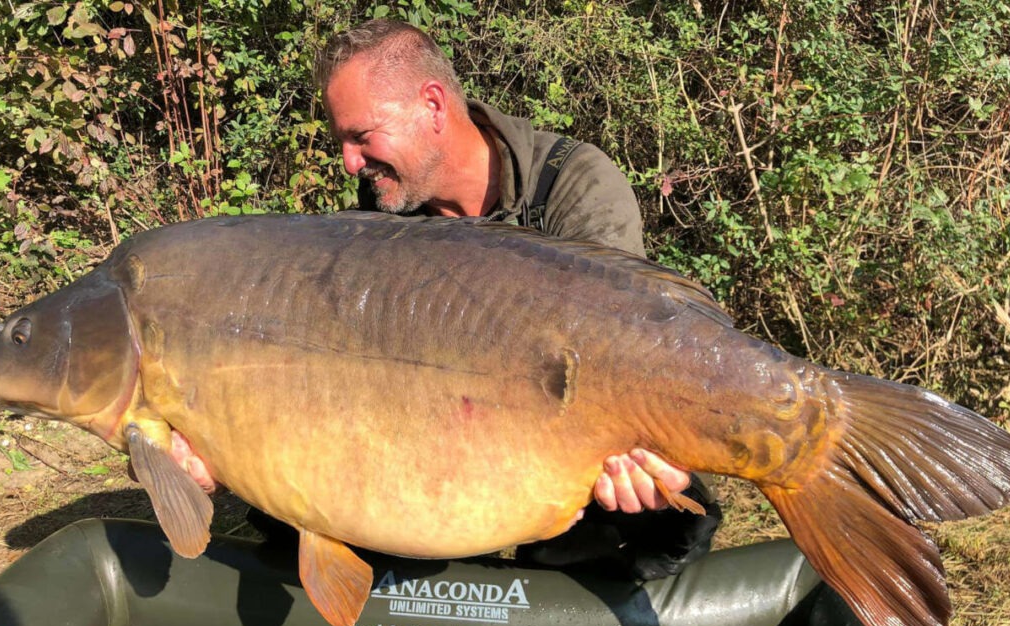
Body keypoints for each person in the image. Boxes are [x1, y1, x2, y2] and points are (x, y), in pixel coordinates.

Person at [304, 19, 720, 578]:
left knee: (643, 503)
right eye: (343, 143)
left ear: (432, 106)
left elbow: (623, 357)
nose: (351, 162)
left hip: (569, 432)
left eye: (361, 137)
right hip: (444, 447)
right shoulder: (379, 221)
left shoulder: (573, 183)